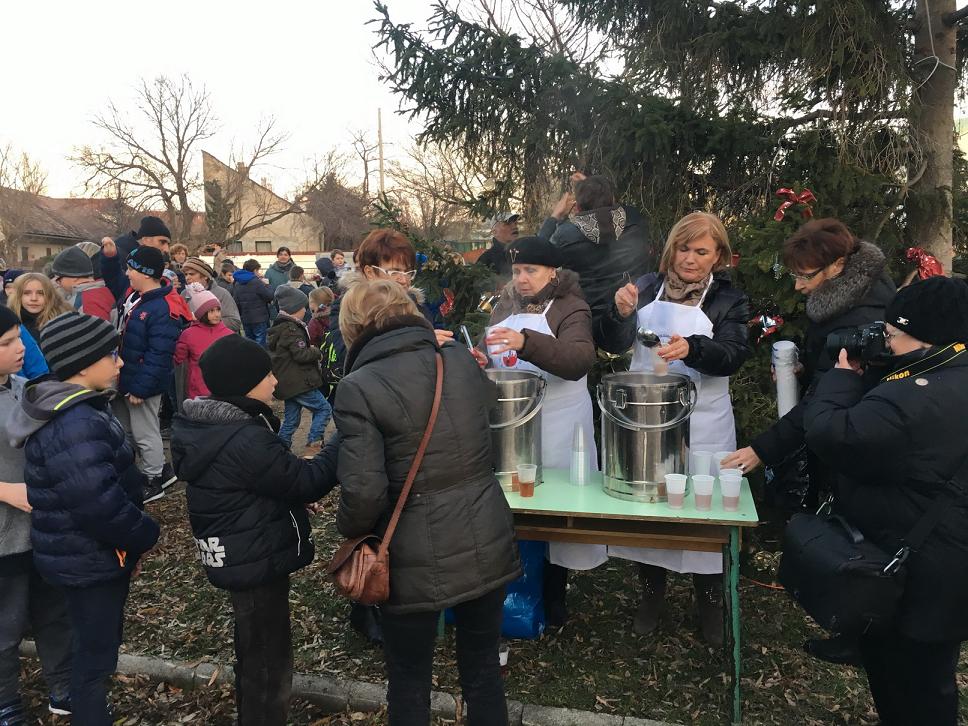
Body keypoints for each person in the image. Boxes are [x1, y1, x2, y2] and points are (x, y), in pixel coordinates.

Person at [335, 280, 521, 725]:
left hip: (409, 552)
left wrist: (350, 532)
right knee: (483, 670)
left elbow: (363, 492)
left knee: (408, 678)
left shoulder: (358, 386)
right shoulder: (455, 357)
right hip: (485, 532)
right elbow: (487, 410)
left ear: (354, 327)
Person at [803, 276, 968, 726]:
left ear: (927, 338)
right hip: (946, 559)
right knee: (930, 674)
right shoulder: (948, 376)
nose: (886, 342)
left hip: (920, 567)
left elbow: (832, 435)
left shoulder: (915, 396)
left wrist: (840, 380)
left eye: (893, 334)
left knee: (910, 678)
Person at [598, 212, 751, 645]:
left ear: (718, 256)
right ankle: (652, 594)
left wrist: (693, 348)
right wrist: (618, 314)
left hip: (704, 422)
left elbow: (734, 354)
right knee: (653, 508)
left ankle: (710, 600)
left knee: (705, 510)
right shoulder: (647, 287)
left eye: (701, 251)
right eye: (683, 248)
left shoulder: (729, 299)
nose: (690, 258)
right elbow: (611, 343)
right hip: (647, 418)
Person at [171, 336, 339, 726]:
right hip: (253, 556)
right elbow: (305, 481)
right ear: (244, 384)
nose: (275, 381)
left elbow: (255, 484)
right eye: (267, 375)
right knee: (267, 657)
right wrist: (342, 440)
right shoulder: (245, 437)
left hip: (240, 550)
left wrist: (286, 500)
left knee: (255, 645)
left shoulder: (216, 426)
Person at [8, 311, 160, 726]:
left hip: (85, 556)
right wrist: (144, 534)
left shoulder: (79, 410)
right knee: (94, 657)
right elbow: (98, 504)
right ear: (82, 364)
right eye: (112, 354)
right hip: (89, 559)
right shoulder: (75, 422)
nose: (120, 362)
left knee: (93, 648)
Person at [481, 236, 601, 624]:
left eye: (530, 270)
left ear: (553, 272)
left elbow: (578, 359)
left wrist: (527, 342)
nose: (521, 278)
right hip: (512, 422)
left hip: (559, 423)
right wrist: (480, 359)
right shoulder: (504, 305)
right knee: (514, 502)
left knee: (557, 507)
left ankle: (554, 592)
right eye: (517, 270)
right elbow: (493, 353)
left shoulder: (571, 307)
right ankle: (516, 588)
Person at [0, 308, 73, 724]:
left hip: (43, 530)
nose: (20, 349)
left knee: (55, 613)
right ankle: (6, 701)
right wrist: (5, 490)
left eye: (18, 338)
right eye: (7, 342)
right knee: (5, 626)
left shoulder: (26, 389)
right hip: (4, 540)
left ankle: (63, 687)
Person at [114, 246, 192, 502]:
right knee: (128, 430)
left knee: (145, 432)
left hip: (143, 383)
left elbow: (160, 354)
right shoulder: (136, 298)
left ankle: (153, 478)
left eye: (131, 269)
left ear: (146, 272)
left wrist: (141, 388)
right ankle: (154, 469)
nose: (127, 274)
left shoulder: (161, 308)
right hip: (128, 377)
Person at [540, 174, 651, 346]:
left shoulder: (565, 235)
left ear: (577, 208)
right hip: (627, 318)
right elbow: (612, 209)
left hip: (584, 321)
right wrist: (597, 190)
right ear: (612, 200)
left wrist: (556, 215)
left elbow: (535, 254)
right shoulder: (634, 220)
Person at [268, 286, 331, 458]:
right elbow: (301, 354)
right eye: (303, 307)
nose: (306, 310)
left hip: (287, 382)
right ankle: (314, 444)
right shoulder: (292, 330)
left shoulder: (280, 327)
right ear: (295, 308)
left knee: (291, 419)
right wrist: (316, 351)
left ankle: (280, 450)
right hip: (299, 382)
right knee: (324, 409)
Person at [174, 284, 234, 400]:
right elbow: (179, 358)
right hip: (198, 390)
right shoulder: (188, 334)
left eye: (218, 310)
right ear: (200, 313)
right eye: (211, 311)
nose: (216, 314)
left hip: (224, 389)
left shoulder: (228, 334)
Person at [98, 216, 172, 301]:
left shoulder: (141, 259)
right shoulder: (118, 254)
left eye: (168, 244)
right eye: (162, 242)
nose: (166, 249)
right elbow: (114, 286)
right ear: (145, 239)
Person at [50, 247, 116, 322]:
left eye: (59, 279)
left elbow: (96, 329)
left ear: (73, 276)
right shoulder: (104, 290)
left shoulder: (85, 302)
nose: (58, 284)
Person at [180, 257, 242, 333]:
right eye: (186, 274)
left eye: (191, 274)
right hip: (192, 338)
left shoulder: (222, 294)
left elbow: (234, 322)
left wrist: (207, 323)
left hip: (218, 339)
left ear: (205, 276)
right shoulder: (184, 294)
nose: (187, 278)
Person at [7, 273, 71, 343]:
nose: (34, 298)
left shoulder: (64, 323)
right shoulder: (7, 324)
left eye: (41, 293)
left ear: (50, 295)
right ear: (17, 296)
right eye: (27, 293)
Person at [232, 259, 274, 347]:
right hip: (259, 318)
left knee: (249, 343)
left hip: (246, 318)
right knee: (260, 343)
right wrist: (267, 285)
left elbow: (236, 302)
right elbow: (269, 296)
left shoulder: (237, 283)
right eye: (258, 271)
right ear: (255, 270)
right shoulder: (256, 282)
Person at [477, 212, 520, 279]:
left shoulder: (524, 253)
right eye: (508, 224)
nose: (515, 227)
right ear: (495, 232)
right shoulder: (486, 259)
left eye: (515, 223)